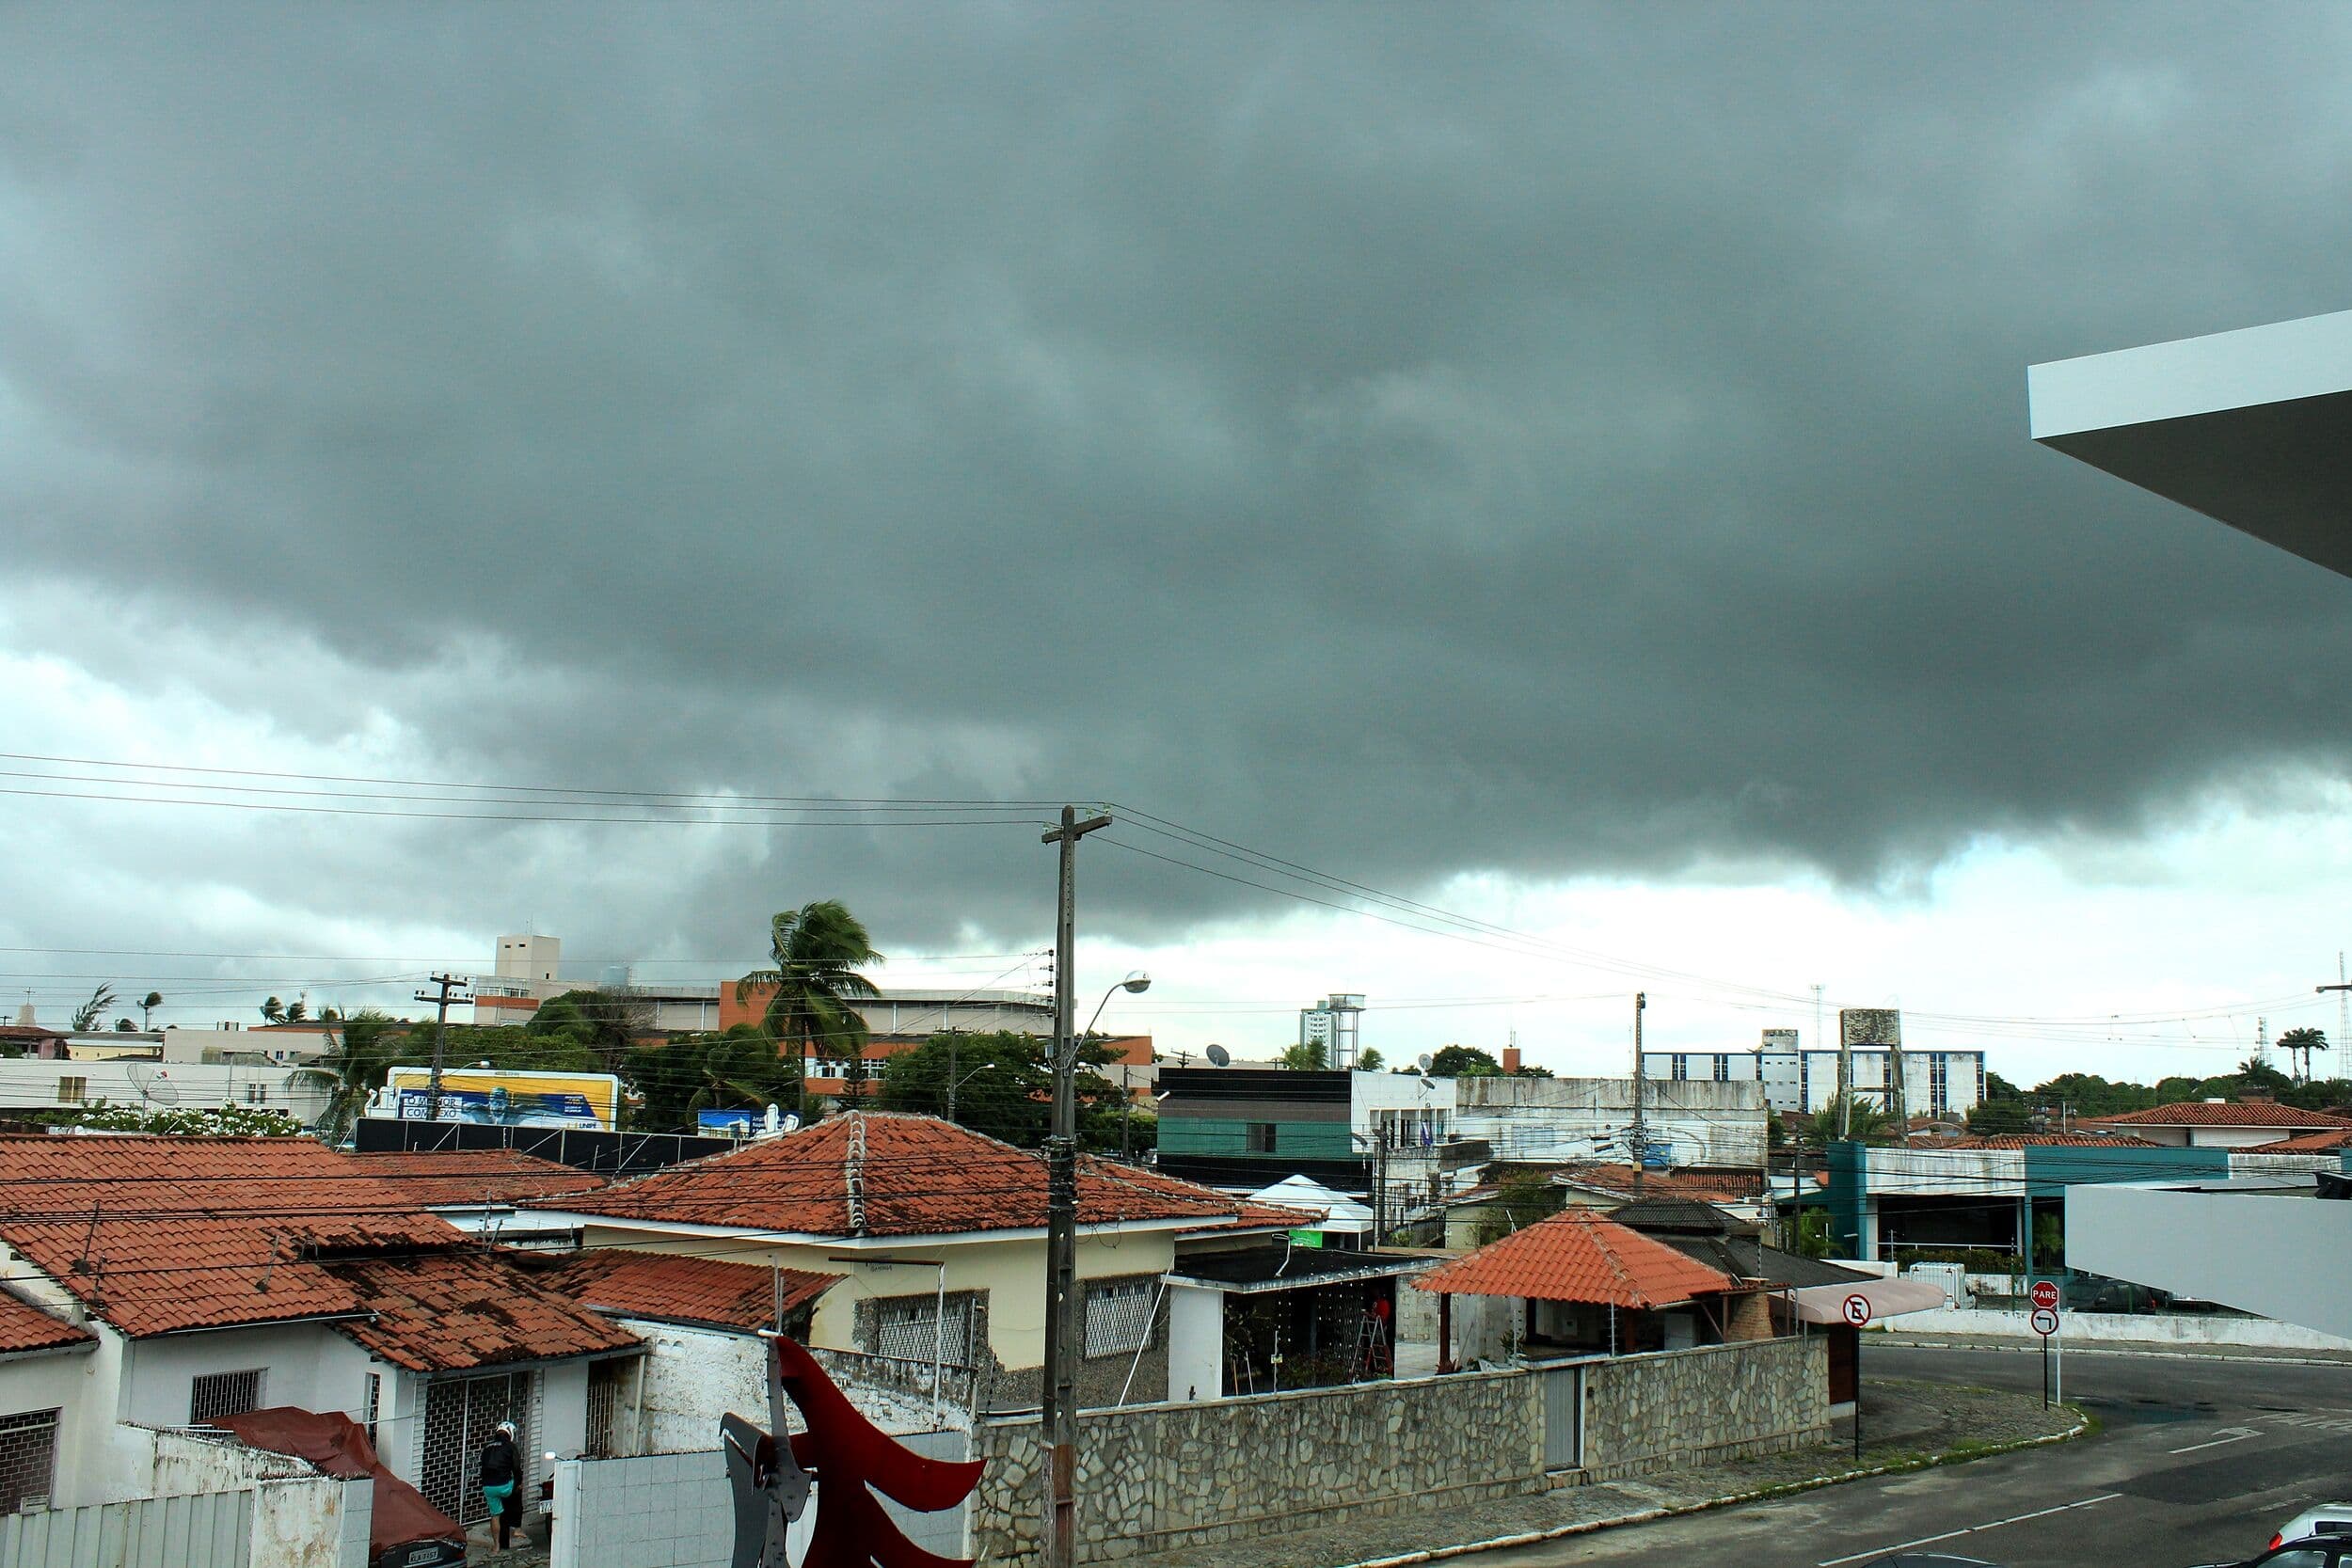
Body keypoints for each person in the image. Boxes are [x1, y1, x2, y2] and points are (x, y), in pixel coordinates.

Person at [478, 1419, 521, 1550]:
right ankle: (517, 1527)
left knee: (495, 1515)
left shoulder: (487, 1447)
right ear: (510, 1433)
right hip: (504, 1486)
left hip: (488, 1487)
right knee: (517, 1490)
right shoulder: (510, 1446)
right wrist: (518, 1483)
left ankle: (496, 1546)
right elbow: (517, 1468)